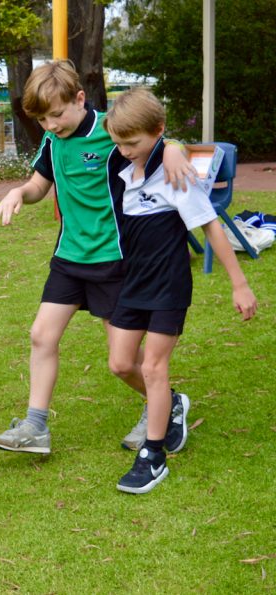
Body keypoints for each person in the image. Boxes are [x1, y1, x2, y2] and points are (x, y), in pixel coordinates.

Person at [0, 60, 195, 455]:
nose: (50, 125)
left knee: (123, 363)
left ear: (79, 98)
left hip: (115, 260)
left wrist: (173, 149)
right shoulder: (53, 141)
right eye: (43, 119)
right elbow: (38, 185)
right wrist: (19, 193)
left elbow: (157, 138)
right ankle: (35, 426)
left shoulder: (109, 131)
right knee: (41, 335)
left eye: (57, 114)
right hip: (69, 256)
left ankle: (168, 404)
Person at [102, 88, 256, 493]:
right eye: (119, 143)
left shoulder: (175, 176)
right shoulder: (122, 167)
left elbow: (211, 227)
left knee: (153, 367)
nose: (124, 150)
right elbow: (101, 131)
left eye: (132, 143)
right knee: (120, 364)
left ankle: (153, 456)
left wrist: (239, 285)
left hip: (169, 286)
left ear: (157, 132)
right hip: (133, 283)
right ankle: (171, 404)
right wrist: (166, 145)